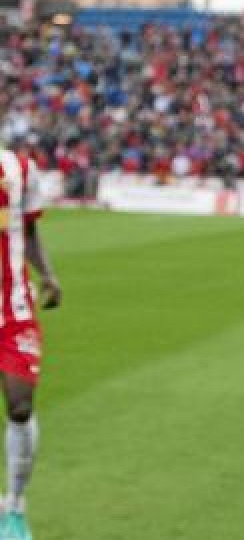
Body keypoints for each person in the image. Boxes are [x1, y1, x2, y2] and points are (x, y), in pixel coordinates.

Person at [0, 150, 63, 540]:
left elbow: (29, 231)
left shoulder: (19, 169)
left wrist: (48, 275)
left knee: (20, 406)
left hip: (14, 308)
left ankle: (15, 505)